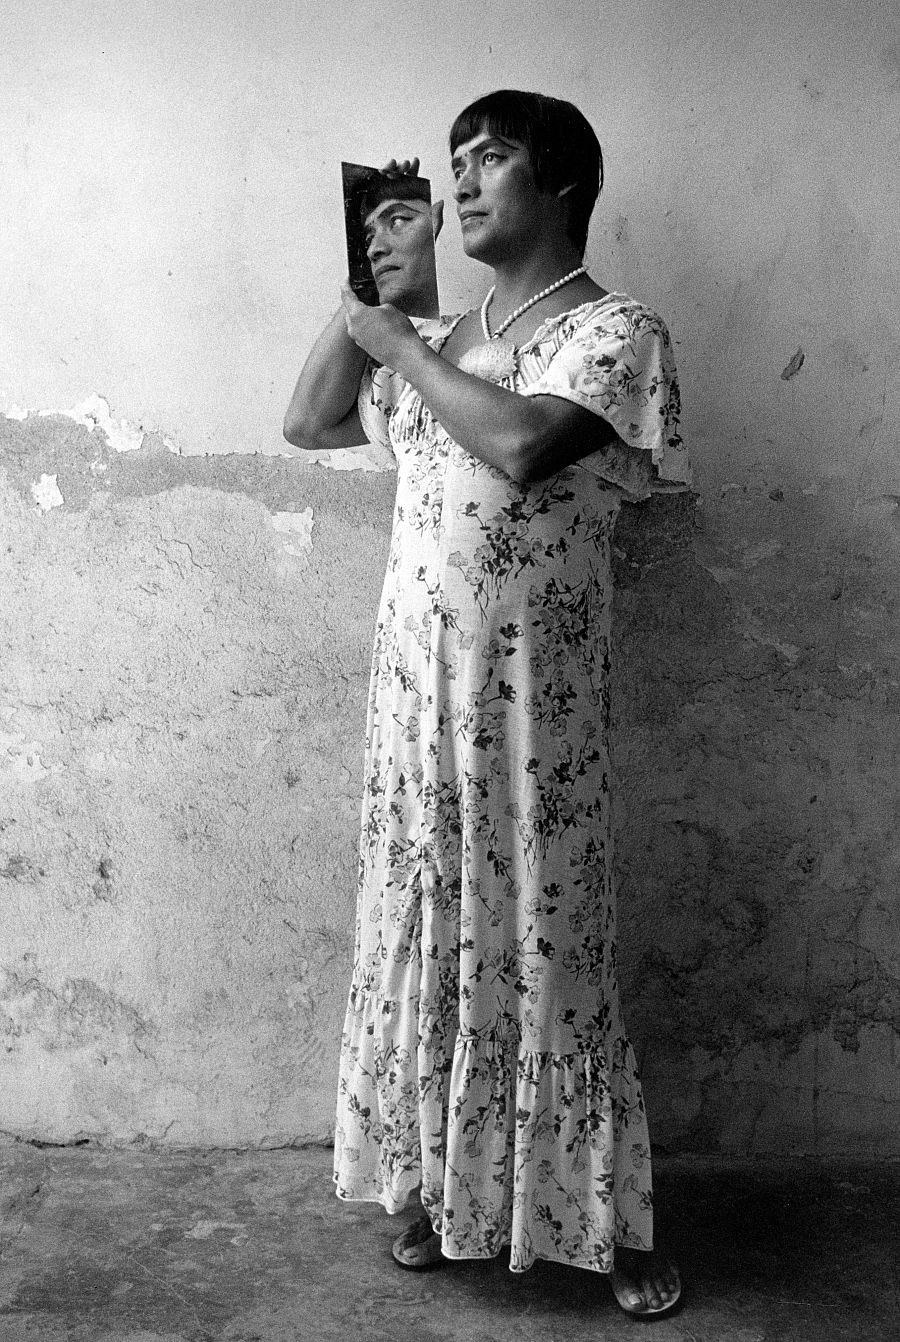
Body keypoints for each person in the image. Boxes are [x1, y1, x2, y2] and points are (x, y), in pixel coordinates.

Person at [285, 89, 690, 1318]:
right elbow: (306, 421)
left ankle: (605, 1224)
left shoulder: (616, 330)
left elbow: (520, 446)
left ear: (560, 181)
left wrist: (403, 344)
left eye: (492, 158)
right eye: (453, 162)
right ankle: (441, 1192)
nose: (462, 183)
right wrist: (368, 302)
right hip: (414, 698)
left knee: (549, 948)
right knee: (429, 929)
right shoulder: (439, 333)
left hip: (532, 715)